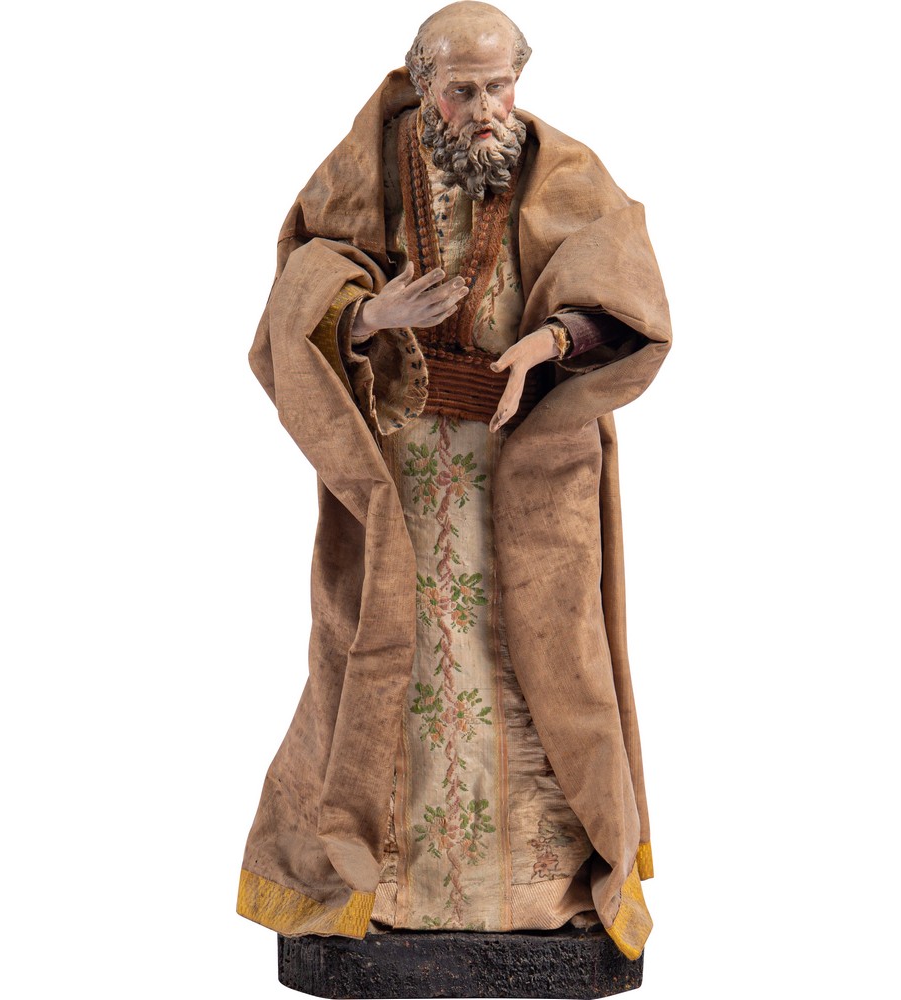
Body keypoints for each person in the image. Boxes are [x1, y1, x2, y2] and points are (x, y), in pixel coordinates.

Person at [237, 1, 672, 962]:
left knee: (550, 665)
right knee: (389, 661)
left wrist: (547, 344)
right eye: (463, 90)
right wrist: (369, 316)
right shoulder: (362, 175)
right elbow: (291, 307)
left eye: (500, 87)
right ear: (422, 81)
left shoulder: (565, 172)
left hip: (529, 471)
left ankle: (547, 890)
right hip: (401, 484)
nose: (485, 110)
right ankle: (385, 887)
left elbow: (627, 296)